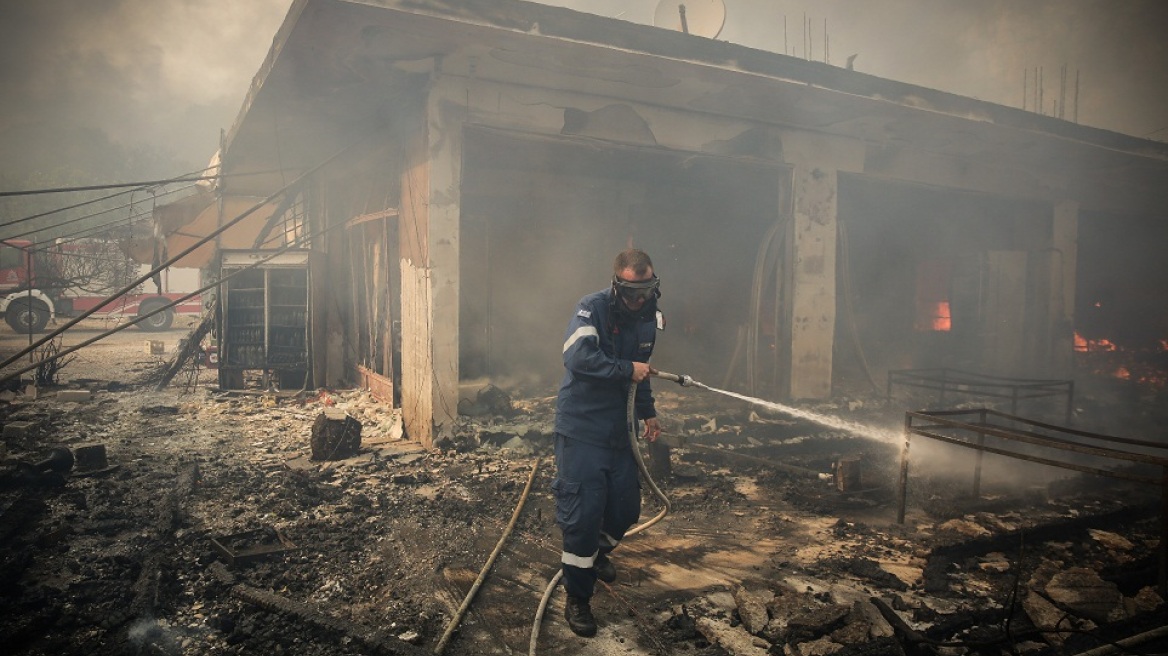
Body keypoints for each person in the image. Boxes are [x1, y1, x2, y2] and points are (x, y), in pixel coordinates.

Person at [553, 248, 663, 637]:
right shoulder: (592, 308)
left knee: (626, 509)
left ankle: (597, 554)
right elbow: (577, 358)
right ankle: (578, 598)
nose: (638, 299)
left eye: (646, 291)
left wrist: (647, 411)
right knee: (582, 518)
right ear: (617, 284)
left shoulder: (649, 319)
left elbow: (642, 372)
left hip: (620, 431)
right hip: (583, 430)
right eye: (632, 292)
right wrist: (624, 369)